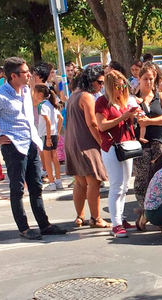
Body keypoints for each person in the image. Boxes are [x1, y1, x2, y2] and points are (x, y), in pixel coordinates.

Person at [0, 57, 67, 239]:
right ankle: (24, 228)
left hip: (31, 142)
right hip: (13, 145)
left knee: (36, 186)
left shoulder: (26, 90)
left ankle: (44, 224)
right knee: (17, 189)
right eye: (25, 72)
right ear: (13, 76)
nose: (29, 75)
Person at [64, 64, 110, 229]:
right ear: (90, 81)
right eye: (99, 82)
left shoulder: (73, 95)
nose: (101, 86)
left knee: (80, 182)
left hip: (72, 142)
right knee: (93, 182)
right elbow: (92, 123)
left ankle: (79, 216)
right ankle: (96, 218)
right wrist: (102, 142)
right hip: (86, 143)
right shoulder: (86, 97)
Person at [95, 70, 140, 237]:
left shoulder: (122, 100)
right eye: (118, 86)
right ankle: (116, 224)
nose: (121, 89)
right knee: (116, 186)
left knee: (125, 186)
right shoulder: (102, 101)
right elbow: (102, 125)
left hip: (126, 145)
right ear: (110, 86)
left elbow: (125, 123)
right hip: (112, 147)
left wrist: (133, 116)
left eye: (122, 86)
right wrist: (124, 116)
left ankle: (120, 218)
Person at [132, 62, 162, 229]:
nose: (148, 82)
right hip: (140, 145)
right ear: (139, 79)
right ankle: (144, 212)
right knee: (142, 179)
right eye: (145, 79)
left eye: (151, 79)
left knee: (160, 178)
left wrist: (149, 121)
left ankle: (161, 216)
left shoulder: (160, 96)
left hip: (158, 142)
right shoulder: (132, 98)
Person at [33, 84, 63, 191]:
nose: (33, 94)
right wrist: (57, 132)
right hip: (53, 134)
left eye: (35, 92)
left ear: (40, 94)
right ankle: (58, 181)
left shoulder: (42, 105)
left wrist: (49, 137)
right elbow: (61, 118)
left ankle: (51, 182)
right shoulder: (52, 104)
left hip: (46, 135)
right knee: (54, 157)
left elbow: (48, 122)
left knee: (47, 159)